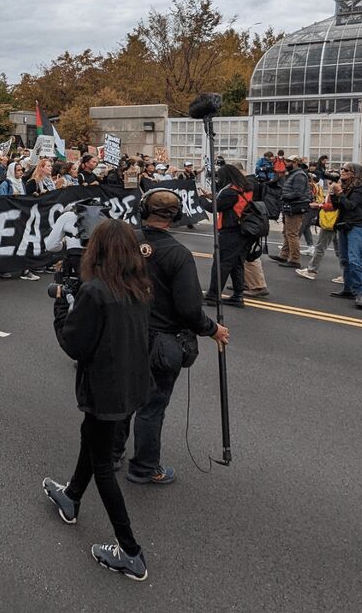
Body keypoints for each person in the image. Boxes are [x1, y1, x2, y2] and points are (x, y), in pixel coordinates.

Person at [43, 220, 154, 581]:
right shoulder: (139, 284)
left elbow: (74, 343)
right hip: (131, 385)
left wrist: (61, 308)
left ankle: (130, 551)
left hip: (105, 389)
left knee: (103, 464)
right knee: (92, 440)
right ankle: (71, 496)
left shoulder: (96, 290)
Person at [112, 189, 229, 484]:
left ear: (143, 210)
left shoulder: (125, 242)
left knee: (124, 399)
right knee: (152, 406)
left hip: (125, 335)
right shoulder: (178, 254)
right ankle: (144, 467)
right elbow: (190, 309)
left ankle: (112, 454)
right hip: (161, 342)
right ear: (175, 216)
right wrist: (213, 329)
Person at [204, 165, 252, 308]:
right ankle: (238, 296)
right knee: (236, 264)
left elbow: (215, 207)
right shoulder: (245, 188)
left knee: (221, 263)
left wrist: (200, 200)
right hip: (242, 230)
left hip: (230, 230)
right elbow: (228, 203)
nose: (218, 179)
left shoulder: (230, 192)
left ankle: (213, 296)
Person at [328, 163, 362, 309]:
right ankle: (348, 289)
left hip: (357, 226)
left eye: (346, 170)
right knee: (345, 259)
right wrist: (333, 194)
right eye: (342, 169)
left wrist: (339, 193)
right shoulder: (344, 187)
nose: (342, 172)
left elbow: (351, 205)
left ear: (355, 173)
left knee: (354, 260)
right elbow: (337, 206)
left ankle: (360, 293)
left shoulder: (360, 188)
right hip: (344, 225)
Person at [275, 155, 311, 269]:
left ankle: (295, 259)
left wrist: (284, 197)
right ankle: (284, 255)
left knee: (292, 234)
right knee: (287, 232)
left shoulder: (299, 175)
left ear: (295, 163)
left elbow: (298, 193)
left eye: (289, 161)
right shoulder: (294, 174)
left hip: (296, 207)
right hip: (291, 206)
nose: (286, 163)